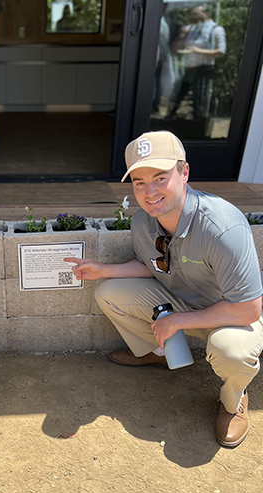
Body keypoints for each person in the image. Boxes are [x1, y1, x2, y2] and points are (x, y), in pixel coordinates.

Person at [65, 130, 263, 447]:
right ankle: (158, 354)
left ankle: (233, 402)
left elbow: (249, 308)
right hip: (180, 302)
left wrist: (178, 321)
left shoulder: (223, 227)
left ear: (184, 172)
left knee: (232, 351)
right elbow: (154, 265)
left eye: (160, 178)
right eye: (139, 182)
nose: (149, 191)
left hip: (228, 314)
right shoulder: (143, 221)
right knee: (108, 292)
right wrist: (105, 270)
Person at [169, 4, 226, 119]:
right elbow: (175, 48)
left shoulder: (216, 29)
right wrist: (182, 36)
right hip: (188, 69)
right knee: (179, 95)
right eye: (192, 14)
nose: (193, 17)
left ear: (207, 14)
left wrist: (197, 51)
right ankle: (171, 118)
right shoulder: (190, 29)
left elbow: (221, 52)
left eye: (196, 14)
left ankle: (199, 124)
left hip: (203, 69)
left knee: (199, 98)